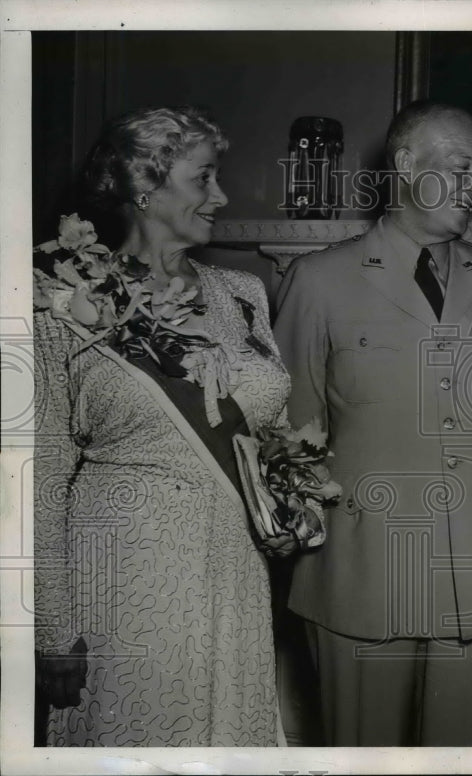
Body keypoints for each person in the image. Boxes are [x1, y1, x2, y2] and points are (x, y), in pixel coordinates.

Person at [272, 101, 472, 746]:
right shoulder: (319, 280)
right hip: (361, 573)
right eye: (462, 169)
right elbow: (287, 435)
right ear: (406, 164)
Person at [34, 106, 292, 746]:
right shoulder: (64, 301)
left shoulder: (242, 294)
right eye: (205, 178)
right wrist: (52, 631)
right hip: (125, 578)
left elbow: (271, 433)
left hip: (234, 571)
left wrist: (290, 503)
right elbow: (36, 475)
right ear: (144, 187)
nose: (222, 196)